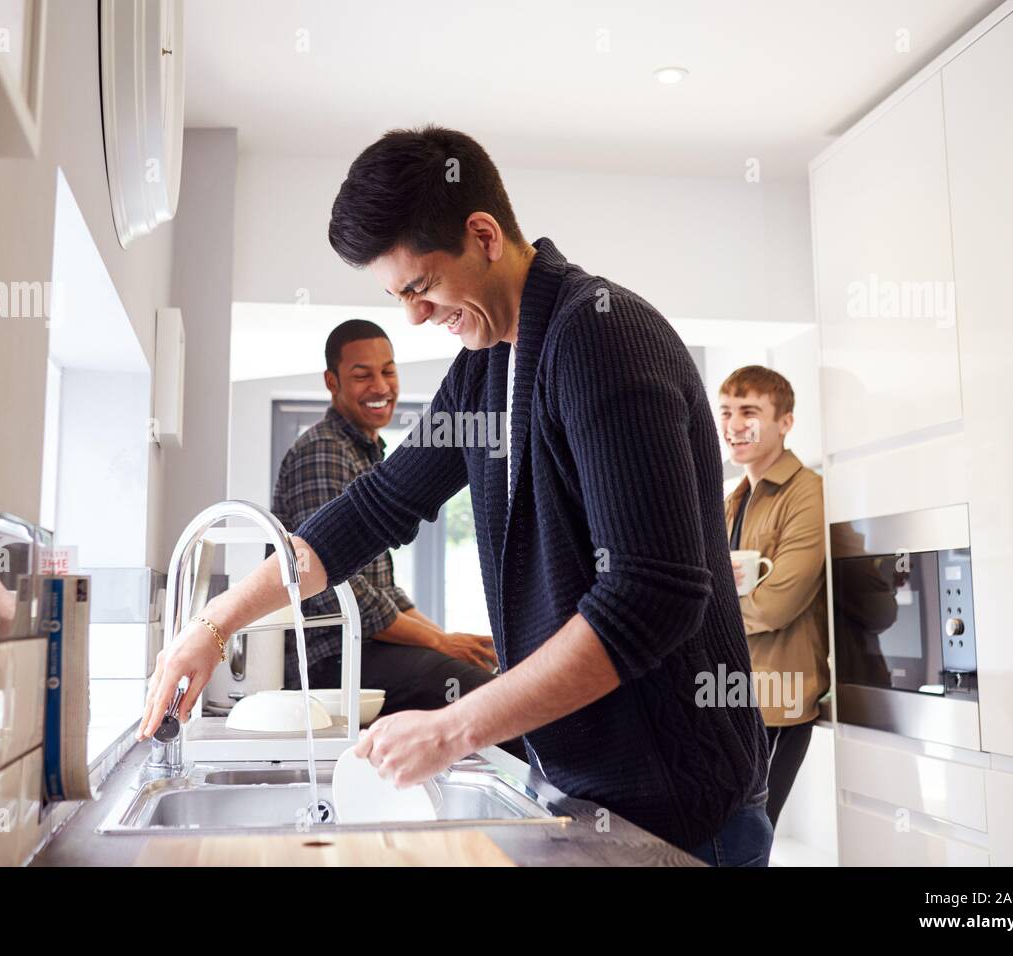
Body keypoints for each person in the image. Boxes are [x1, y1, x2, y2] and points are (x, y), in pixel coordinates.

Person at [140, 126, 770, 865]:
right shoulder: (487, 366)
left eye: (420, 286)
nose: (412, 316)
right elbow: (372, 510)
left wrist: (453, 728)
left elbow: (649, 599)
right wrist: (212, 626)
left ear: (483, 235)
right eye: (396, 294)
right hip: (579, 789)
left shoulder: (602, 338)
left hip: (677, 808)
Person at [273, 319, 520, 748]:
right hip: (333, 662)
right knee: (490, 699)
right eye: (361, 374)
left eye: (388, 371)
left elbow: (382, 590)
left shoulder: (363, 451)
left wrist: (445, 640)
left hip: (363, 652)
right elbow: (337, 585)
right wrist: (441, 642)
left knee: (486, 683)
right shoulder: (323, 450)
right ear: (332, 382)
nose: (380, 385)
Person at [719, 366, 829, 828]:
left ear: (785, 422)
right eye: (726, 412)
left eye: (750, 411)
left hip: (778, 702)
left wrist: (711, 613)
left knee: (749, 836)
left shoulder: (809, 492)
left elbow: (777, 604)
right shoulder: (734, 498)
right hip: (729, 698)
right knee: (722, 839)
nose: (734, 425)